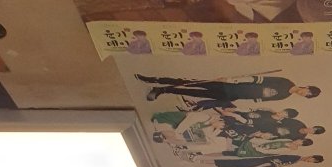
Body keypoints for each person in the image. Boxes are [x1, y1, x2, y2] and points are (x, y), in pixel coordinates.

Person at [136, 73, 321, 104]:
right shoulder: (285, 82)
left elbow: (257, 98)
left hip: (230, 96)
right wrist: (232, 79)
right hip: (229, 85)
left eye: (307, 96)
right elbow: (256, 79)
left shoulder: (284, 97)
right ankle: (155, 79)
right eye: (308, 92)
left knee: (191, 92)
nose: (304, 94)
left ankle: (161, 90)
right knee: (190, 82)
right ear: (306, 86)